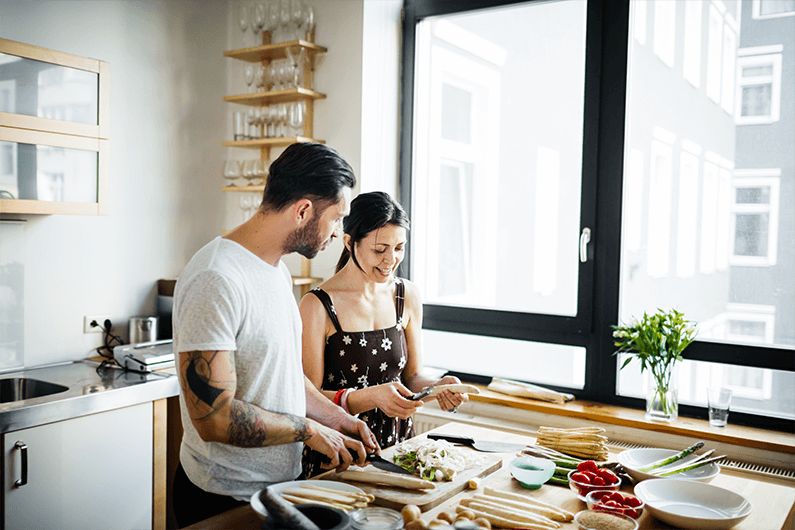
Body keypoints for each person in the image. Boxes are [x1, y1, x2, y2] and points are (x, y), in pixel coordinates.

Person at [171, 143, 378, 527]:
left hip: (278, 490)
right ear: (302, 211)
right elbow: (213, 419)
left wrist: (336, 417)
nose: (339, 234)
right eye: (337, 219)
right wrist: (307, 430)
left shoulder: (277, 270)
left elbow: (278, 375)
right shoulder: (217, 278)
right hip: (223, 497)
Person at [299, 191, 468, 478]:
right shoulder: (316, 305)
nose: (391, 260)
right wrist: (371, 397)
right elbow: (307, 398)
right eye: (380, 250)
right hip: (340, 453)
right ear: (350, 242)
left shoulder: (406, 295)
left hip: (401, 448)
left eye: (399, 248)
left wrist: (437, 387)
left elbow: (411, 377)